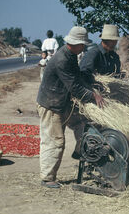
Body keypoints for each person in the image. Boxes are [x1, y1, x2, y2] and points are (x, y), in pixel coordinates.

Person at [36, 26, 104, 188]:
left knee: (82, 123)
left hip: (62, 102)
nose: (85, 47)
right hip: (51, 104)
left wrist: (92, 86)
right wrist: (93, 96)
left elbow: (78, 77)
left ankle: (80, 151)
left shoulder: (71, 55)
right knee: (55, 140)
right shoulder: (62, 60)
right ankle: (47, 177)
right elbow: (74, 87)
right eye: (83, 44)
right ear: (77, 43)